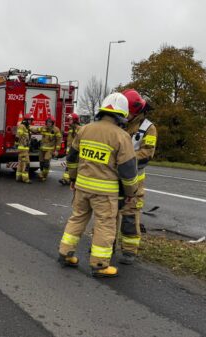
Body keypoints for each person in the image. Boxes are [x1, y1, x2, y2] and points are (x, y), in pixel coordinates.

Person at [58, 93, 138, 278]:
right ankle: (100, 265)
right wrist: (130, 193)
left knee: (77, 218)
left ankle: (65, 253)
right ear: (122, 116)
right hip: (105, 193)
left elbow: (71, 158)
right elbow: (128, 172)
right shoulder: (122, 136)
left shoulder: (84, 130)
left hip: (82, 188)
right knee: (104, 225)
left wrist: (72, 179)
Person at [118, 89, 158, 265]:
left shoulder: (149, 128)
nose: (126, 115)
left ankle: (129, 250)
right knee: (108, 213)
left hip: (134, 179)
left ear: (138, 110)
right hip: (113, 176)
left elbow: (147, 153)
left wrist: (126, 159)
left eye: (129, 112)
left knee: (129, 215)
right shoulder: (119, 122)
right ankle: (105, 244)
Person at [36, 116, 62, 182]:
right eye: (47, 122)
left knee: (46, 162)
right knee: (41, 162)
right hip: (42, 149)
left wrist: (56, 150)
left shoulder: (56, 130)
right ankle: (42, 173)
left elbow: (59, 140)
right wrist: (28, 127)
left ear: (53, 123)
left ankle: (44, 175)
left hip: (49, 149)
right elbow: (36, 130)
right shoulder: (43, 128)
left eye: (50, 122)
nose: (48, 123)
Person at [59, 113, 82, 185]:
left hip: (76, 152)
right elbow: (70, 139)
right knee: (69, 166)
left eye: (70, 119)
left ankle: (69, 179)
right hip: (70, 152)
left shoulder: (79, 129)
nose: (69, 121)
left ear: (75, 120)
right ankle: (66, 179)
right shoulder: (71, 129)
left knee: (73, 166)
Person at [15, 113, 35, 184]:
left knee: (21, 163)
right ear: (26, 120)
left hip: (23, 148)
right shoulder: (22, 126)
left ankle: (19, 177)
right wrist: (17, 144)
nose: (30, 121)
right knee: (26, 163)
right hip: (23, 148)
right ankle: (25, 179)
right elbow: (18, 136)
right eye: (29, 120)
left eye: (31, 120)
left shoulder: (26, 127)